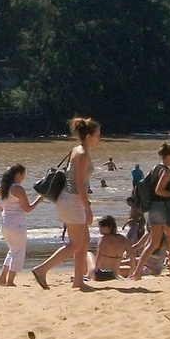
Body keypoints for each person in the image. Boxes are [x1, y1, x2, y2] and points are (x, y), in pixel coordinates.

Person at [31, 116, 101, 290]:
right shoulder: (83, 154)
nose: (99, 138)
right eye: (98, 135)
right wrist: (88, 209)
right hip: (72, 201)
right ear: (89, 136)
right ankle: (42, 269)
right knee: (76, 244)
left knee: (84, 242)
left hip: (69, 200)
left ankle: (78, 281)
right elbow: (79, 185)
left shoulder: (77, 149)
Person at [130, 142, 170, 280]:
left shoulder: (155, 168)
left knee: (153, 243)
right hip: (164, 208)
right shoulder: (165, 171)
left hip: (153, 208)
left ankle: (136, 273)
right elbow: (159, 190)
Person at [0, 164, 43, 287]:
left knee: (13, 250)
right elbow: (27, 208)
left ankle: (2, 278)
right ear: (19, 174)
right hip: (17, 222)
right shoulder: (18, 189)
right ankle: (10, 281)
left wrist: (1, 209)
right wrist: (38, 200)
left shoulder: (4, 187)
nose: (24, 177)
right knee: (18, 251)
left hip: (5, 220)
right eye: (23, 174)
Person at [90, 215, 133, 280]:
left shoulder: (103, 239)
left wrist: (96, 271)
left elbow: (99, 256)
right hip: (114, 275)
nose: (100, 229)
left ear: (109, 227)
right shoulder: (123, 239)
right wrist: (131, 273)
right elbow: (132, 255)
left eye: (102, 227)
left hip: (101, 275)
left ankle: (86, 275)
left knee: (89, 254)